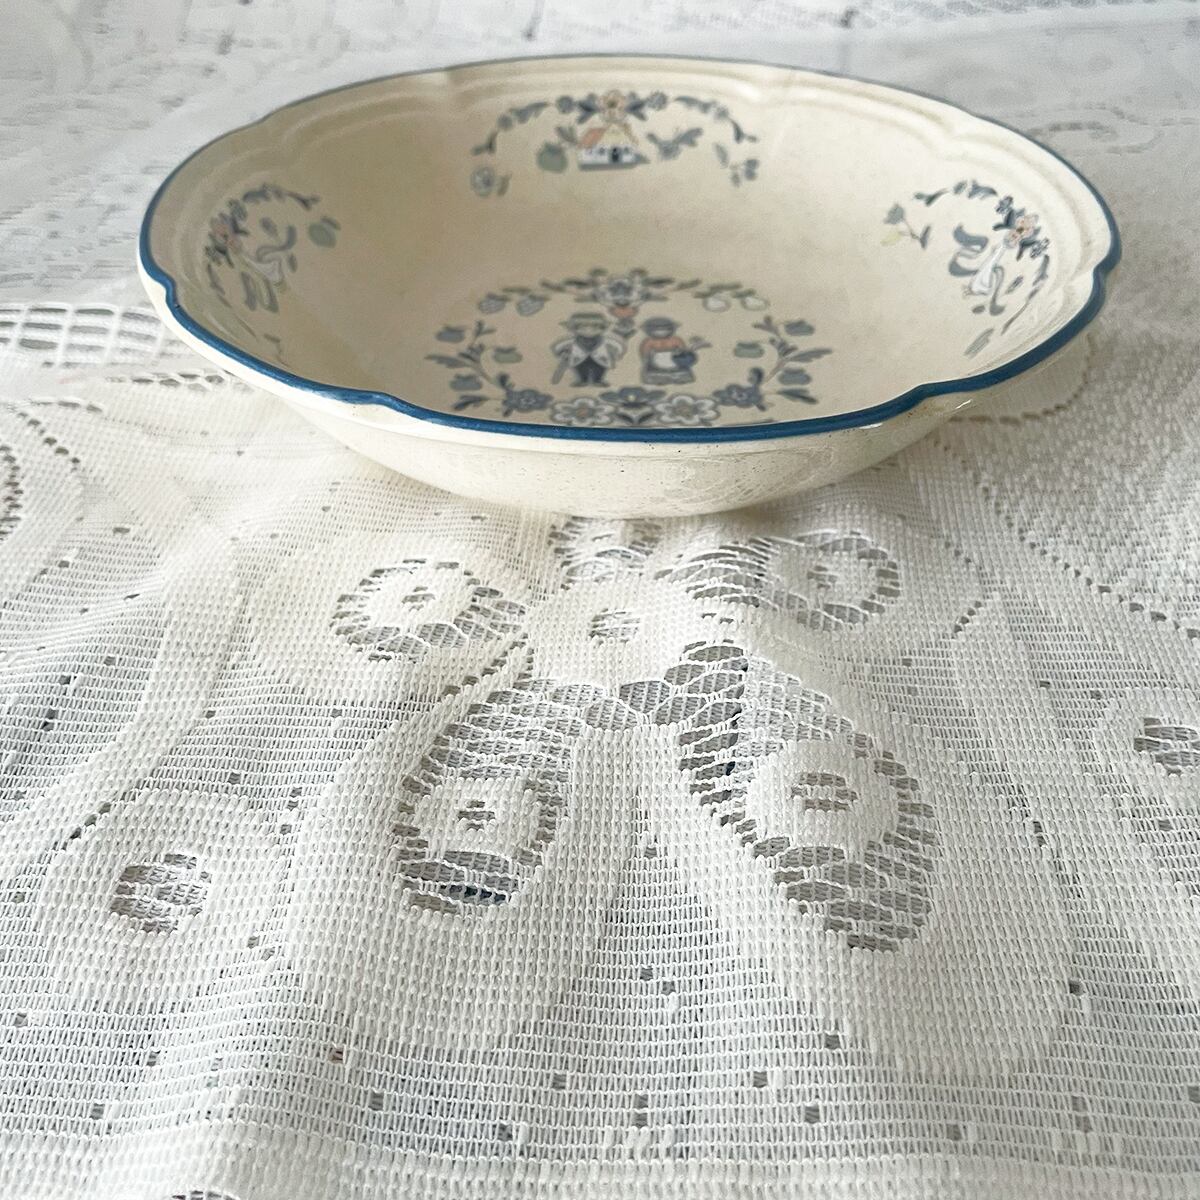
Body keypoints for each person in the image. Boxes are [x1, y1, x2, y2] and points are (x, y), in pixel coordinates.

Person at [551, 312, 627, 386]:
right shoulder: (571, 341)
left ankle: (598, 380)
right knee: (580, 369)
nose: (588, 330)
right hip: (579, 358)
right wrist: (564, 353)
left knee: (600, 369)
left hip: (600, 357)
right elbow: (560, 347)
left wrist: (614, 354)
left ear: (603, 328)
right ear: (573, 328)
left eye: (595, 328)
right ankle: (582, 380)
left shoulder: (606, 340)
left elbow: (616, 346)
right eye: (582, 328)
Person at [638, 316, 699, 385]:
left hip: (675, 361)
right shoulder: (649, 341)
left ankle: (679, 378)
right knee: (654, 374)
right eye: (658, 330)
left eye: (664, 329)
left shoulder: (676, 339)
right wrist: (646, 361)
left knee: (681, 373)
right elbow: (644, 353)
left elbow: (683, 351)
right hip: (656, 363)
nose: (661, 332)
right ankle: (660, 379)